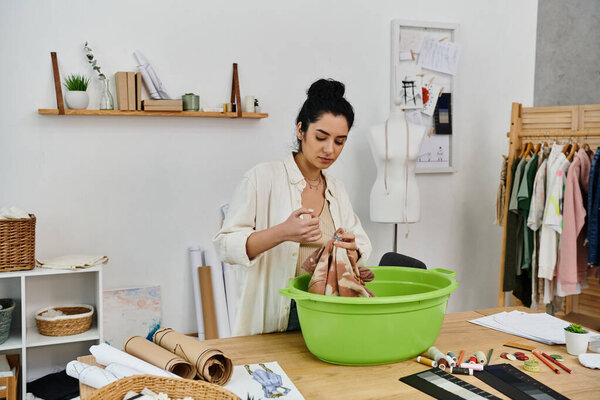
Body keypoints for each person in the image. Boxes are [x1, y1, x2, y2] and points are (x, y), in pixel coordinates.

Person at [213, 79, 372, 336]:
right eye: (321, 137)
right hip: (277, 317)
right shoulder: (262, 178)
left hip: (326, 314)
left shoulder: (336, 189)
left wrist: (353, 249)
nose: (330, 149)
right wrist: (284, 232)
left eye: (340, 141)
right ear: (301, 130)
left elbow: (363, 244)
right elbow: (225, 246)